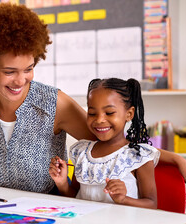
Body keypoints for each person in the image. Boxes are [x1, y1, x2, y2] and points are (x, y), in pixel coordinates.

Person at [0, 2, 186, 201]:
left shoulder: (53, 103)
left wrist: (175, 158)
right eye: (9, 71)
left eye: (29, 69)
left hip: (44, 204)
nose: (20, 80)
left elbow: (111, 141)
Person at [49, 78, 159, 208]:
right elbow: (75, 197)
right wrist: (62, 184)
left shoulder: (139, 155)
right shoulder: (82, 152)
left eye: (109, 113)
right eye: (92, 113)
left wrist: (124, 199)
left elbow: (152, 204)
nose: (100, 120)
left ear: (129, 114)